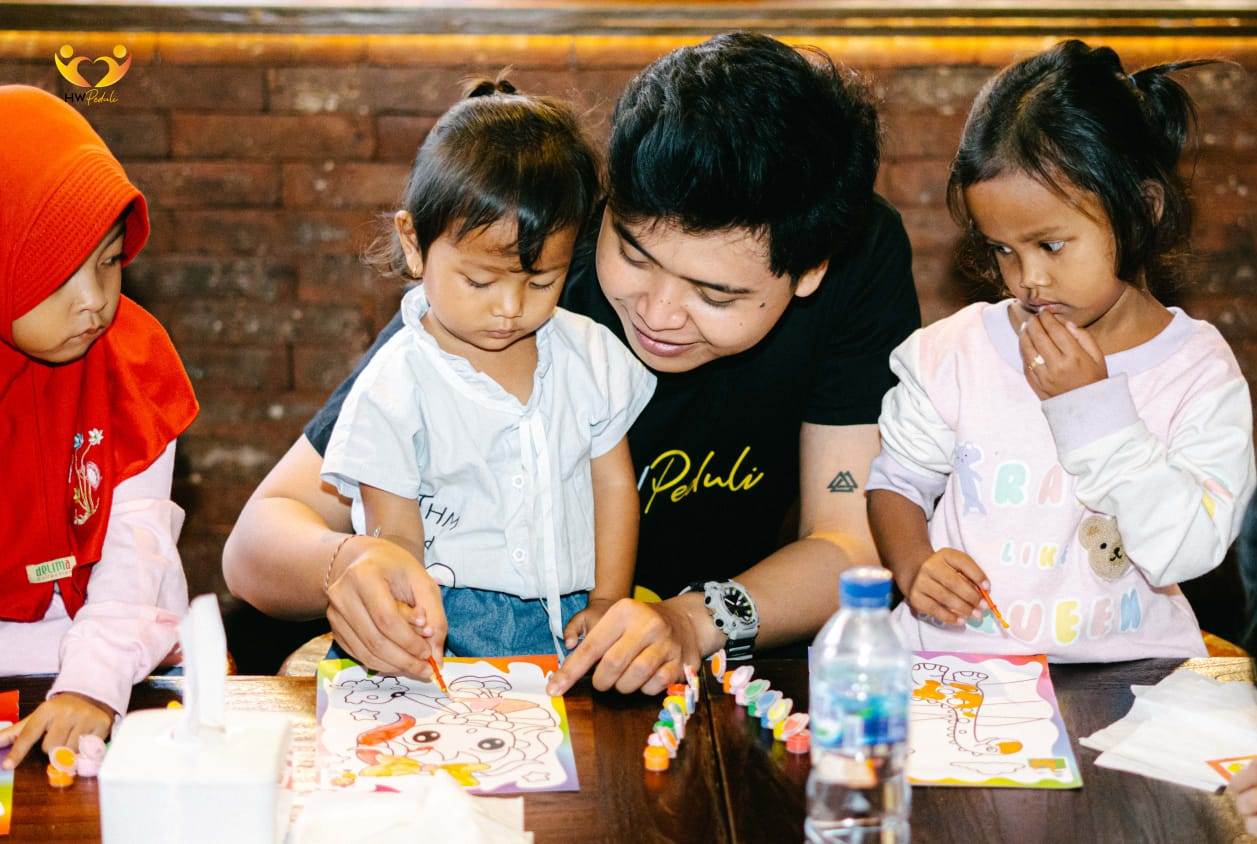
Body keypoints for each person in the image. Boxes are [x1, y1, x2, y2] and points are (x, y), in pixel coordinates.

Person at [223, 32, 920, 694]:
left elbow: (850, 542)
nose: (658, 314)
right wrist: (344, 564)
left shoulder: (858, 257)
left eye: (714, 295)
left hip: (692, 680)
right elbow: (256, 545)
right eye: (634, 255)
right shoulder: (532, 274)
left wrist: (691, 621)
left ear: (811, 270)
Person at [867, 40, 1255, 659]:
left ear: (1142, 211)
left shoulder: (1195, 371)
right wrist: (913, 563)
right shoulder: (956, 353)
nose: (1027, 279)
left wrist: (1094, 411)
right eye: (1002, 249)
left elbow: (1189, 550)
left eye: (1050, 245)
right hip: (962, 666)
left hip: (1129, 672)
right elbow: (897, 482)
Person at [320, 78, 654, 662]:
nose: (509, 308)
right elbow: (394, 537)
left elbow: (614, 486)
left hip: (571, 614)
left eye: (541, 282)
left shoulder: (589, 355)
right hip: (442, 616)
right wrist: (407, 621)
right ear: (413, 243)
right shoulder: (396, 382)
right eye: (479, 281)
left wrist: (608, 597)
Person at [0, 86, 199, 765]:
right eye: (60, 275)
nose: (93, 301)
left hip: (126, 665)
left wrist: (91, 684)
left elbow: (135, 553)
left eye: (110, 262)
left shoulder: (131, 364)